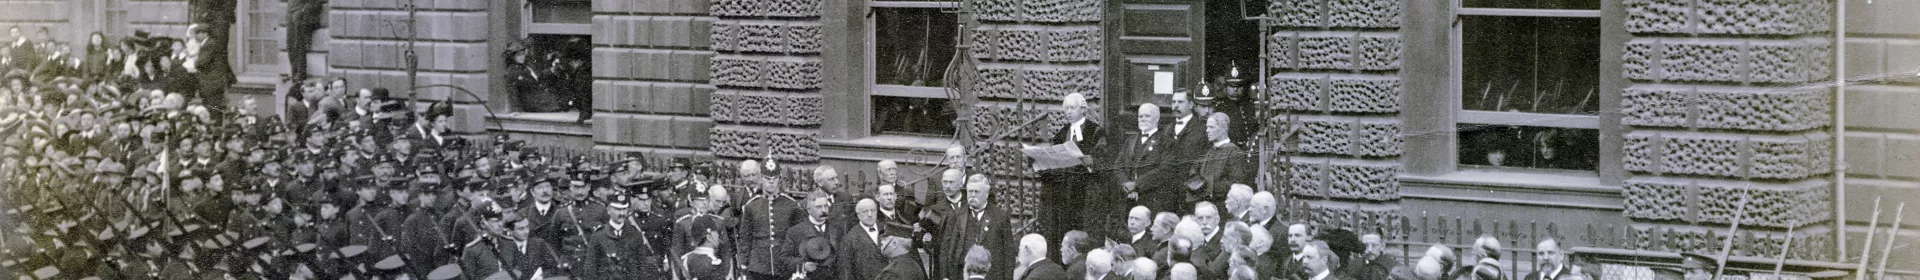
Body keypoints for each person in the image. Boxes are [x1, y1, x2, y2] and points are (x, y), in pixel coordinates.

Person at [1038, 92, 1102, 240]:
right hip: (1062, 193)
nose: (1069, 112)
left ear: (1084, 110)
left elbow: (1101, 160)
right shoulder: (1063, 132)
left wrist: (1087, 160)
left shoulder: (1095, 132)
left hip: (1084, 193)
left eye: (1072, 107)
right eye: (1066, 108)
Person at [940, 174, 1012, 280]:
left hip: (991, 276)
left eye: (977, 192)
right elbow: (945, 248)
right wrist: (945, 277)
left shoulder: (1000, 217)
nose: (972, 195)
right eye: (970, 191)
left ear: (986, 194)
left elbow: (1009, 252)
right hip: (961, 274)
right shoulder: (956, 215)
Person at [736, 164, 801, 280]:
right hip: (758, 265)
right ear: (761, 178)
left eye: (774, 178)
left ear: (779, 180)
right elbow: (745, 237)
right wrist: (743, 263)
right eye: (767, 178)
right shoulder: (751, 205)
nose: (771, 182)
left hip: (783, 264)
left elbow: (798, 236)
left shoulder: (791, 205)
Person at [1186, 113, 1248, 205]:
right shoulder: (1207, 152)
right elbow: (1193, 173)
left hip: (1223, 205)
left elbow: (1236, 184)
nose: (1207, 130)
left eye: (1211, 127)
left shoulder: (1235, 153)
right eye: (1207, 127)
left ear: (1224, 129)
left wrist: (1206, 186)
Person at [781, 193, 834, 280]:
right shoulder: (795, 231)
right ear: (808, 210)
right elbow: (785, 258)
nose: (824, 210)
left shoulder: (836, 229)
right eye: (819, 207)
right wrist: (803, 266)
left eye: (826, 206)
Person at [839, 198, 888, 280]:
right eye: (865, 212)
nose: (870, 214)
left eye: (872, 210)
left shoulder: (887, 229)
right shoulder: (849, 239)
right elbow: (846, 271)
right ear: (858, 214)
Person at [680, 216, 729, 280]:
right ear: (709, 237)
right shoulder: (714, 262)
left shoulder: (686, 260)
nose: (718, 235)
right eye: (715, 232)